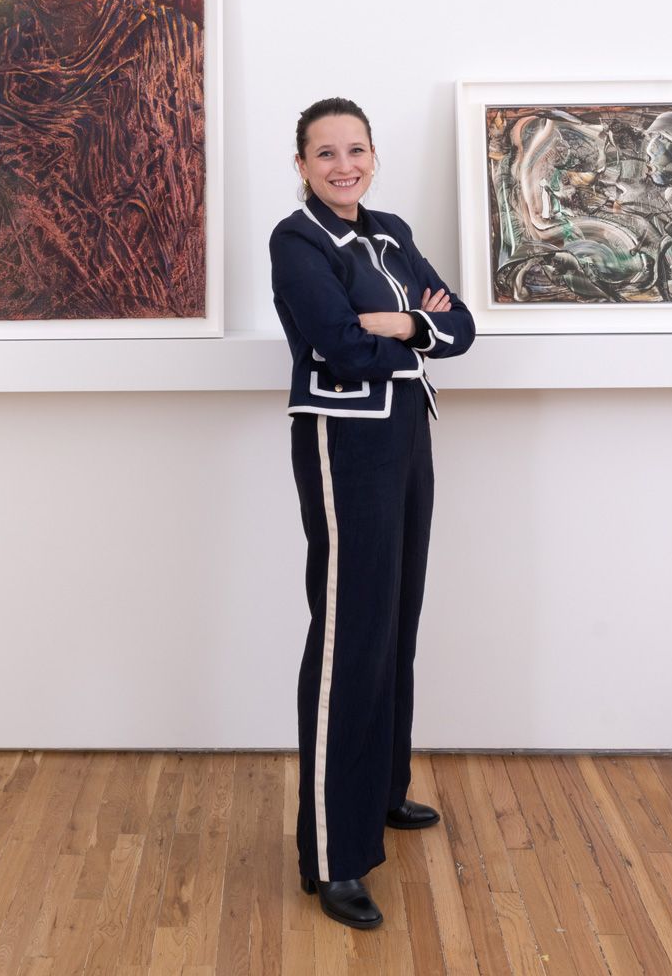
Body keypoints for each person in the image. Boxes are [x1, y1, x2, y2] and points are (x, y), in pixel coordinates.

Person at [268, 96, 477, 930]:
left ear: (372, 156)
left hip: (405, 434)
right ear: (301, 165)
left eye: (355, 149)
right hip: (343, 442)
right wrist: (413, 334)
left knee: (396, 619)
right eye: (325, 153)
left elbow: (461, 327)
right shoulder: (297, 241)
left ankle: (381, 791)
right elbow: (337, 344)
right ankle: (333, 854)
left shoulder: (389, 231)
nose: (342, 165)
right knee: (348, 636)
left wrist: (405, 322)